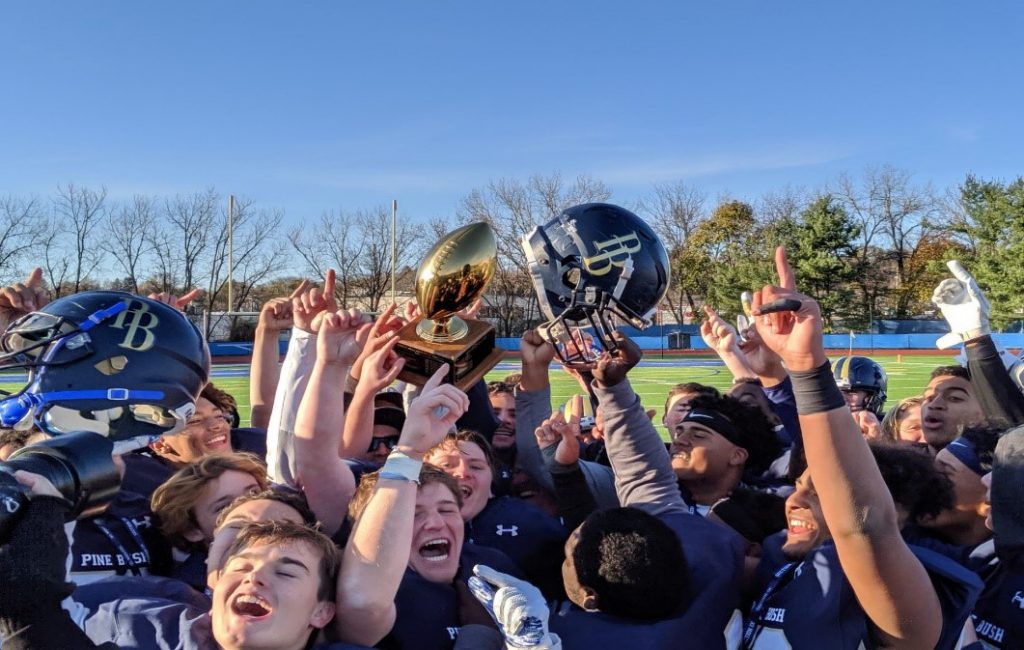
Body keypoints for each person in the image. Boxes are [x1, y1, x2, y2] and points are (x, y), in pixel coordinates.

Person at [741, 246, 981, 648]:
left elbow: (863, 525)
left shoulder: (910, 593)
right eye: (800, 485)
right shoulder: (780, 563)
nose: (795, 498)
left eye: (820, 492)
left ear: (897, 508)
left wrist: (806, 369)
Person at [149, 452, 269, 590]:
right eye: (226, 506)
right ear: (192, 531)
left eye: (255, 493)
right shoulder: (192, 592)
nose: (251, 507)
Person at [922, 365, 987, 452]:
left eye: (954, 398)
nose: (934, 404)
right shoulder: (901, 463)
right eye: (929, 397)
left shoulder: (1002, 463)